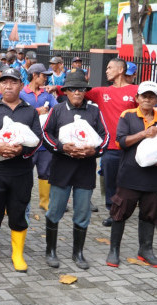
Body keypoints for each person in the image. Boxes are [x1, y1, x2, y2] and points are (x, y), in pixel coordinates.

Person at [52, 58, 138, 227]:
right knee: (110, 182)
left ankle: (128, 210)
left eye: (109, 67)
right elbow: (75, 90)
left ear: (121, 70)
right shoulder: (101, 92)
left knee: (130, 183)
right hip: (110, 148)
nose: (106, 70)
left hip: (131, 146)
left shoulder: (136, 90)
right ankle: (113, 213)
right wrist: (55, 88)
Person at [0, 67, 42, 272]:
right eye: (4, 82)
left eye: (13, 82)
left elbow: (38, 139)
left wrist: (22, 150)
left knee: (19, 211)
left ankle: (17, 254)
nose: (8, 86)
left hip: (21, 172)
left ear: (21, 85)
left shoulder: (30, 111)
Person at [42, 70, 108, 269]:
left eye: (81, 89)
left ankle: (77, 253)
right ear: (66, 91)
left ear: (85, 91)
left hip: (85, 169)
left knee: (82, 212)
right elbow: (46, 134)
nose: (77, 92)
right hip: (62, 167)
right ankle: (50, 251)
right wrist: (62, 148)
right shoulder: (58, 110)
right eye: (72, 89)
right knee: (55, 210)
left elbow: (105, 138)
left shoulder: (94, 111)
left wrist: (93, 151)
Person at [106, 81, 157, 268]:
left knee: (150, 214)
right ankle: (114, 250)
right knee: (120, 212)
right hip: (130, 175)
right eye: (144, 96)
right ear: (137, 98)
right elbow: (120, 142)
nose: (148, 99)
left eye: (152, 96)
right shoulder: (127, 116)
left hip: (153, 178)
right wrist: (145, 134)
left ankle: (145, 250)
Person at [20, 63, 57, 211]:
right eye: (44, 76)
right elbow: (17, 114)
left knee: (45, 172)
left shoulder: (47, 94)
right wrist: (37, 111)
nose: (46, 79)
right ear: (35, 75)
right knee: (24, 173)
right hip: (26, 142)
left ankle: (44, 201)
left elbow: (57, 109)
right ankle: (21, 200)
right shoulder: (21, 93)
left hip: (44, 143)